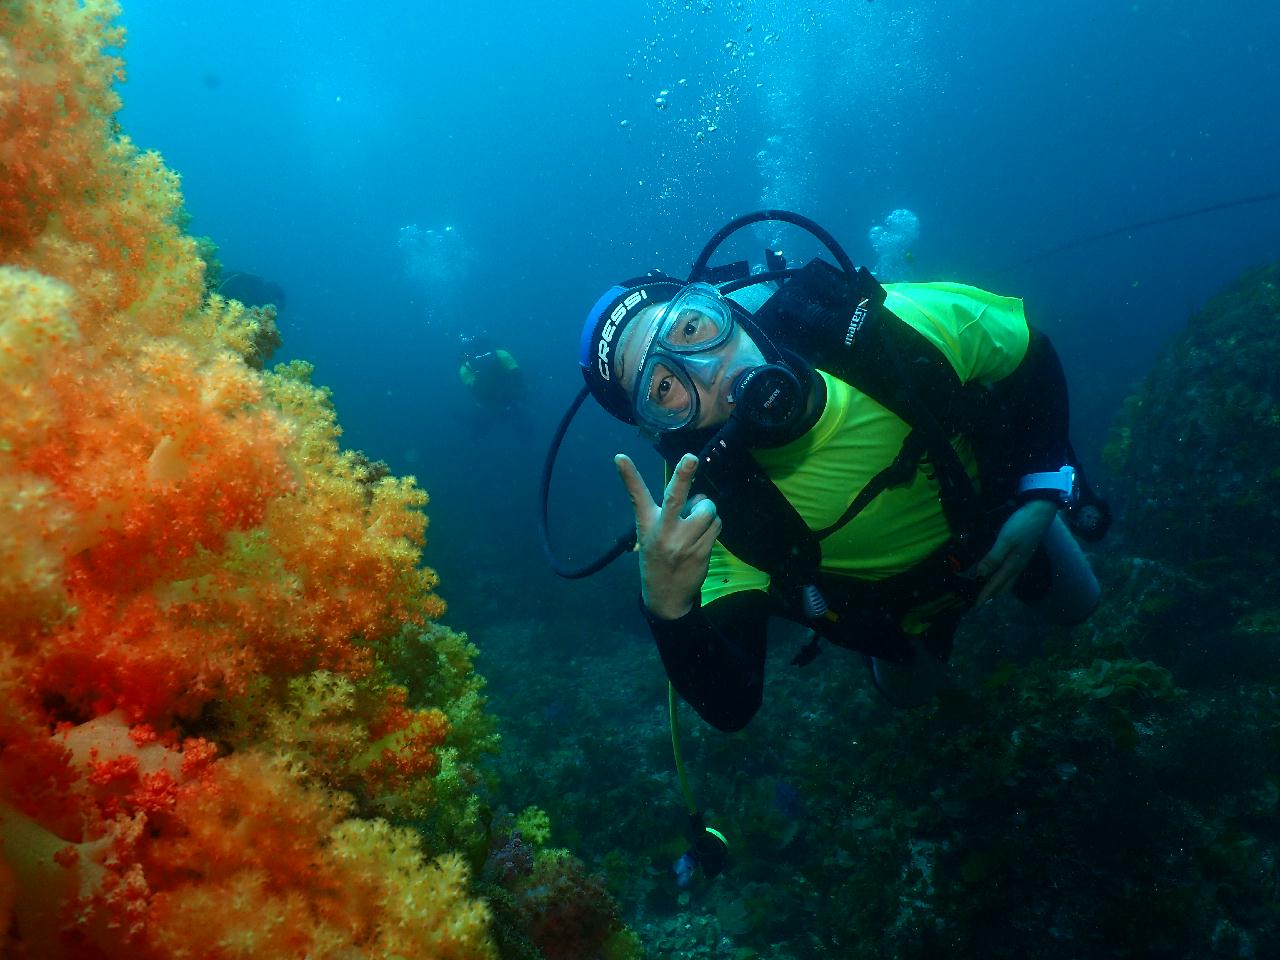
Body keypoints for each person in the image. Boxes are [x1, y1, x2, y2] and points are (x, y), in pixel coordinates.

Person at [573, 212, 1104, 729]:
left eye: (692, 328)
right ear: (661, 426)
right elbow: (733, 704)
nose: (711, 373)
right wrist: (670, 613)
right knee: (911, 701)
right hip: (896, 617)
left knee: (1083, 607)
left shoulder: (890, 328)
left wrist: (1040, 490)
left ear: (725, 306)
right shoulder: (708, 510)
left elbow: (1026, 353)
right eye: (664, 387)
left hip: (1003, 526)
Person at [458, 334, 525, 414]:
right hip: (510, 393)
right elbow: (516, 371)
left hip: (492, 400)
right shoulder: (499, 353)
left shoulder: (465, 367)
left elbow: (473, 388)